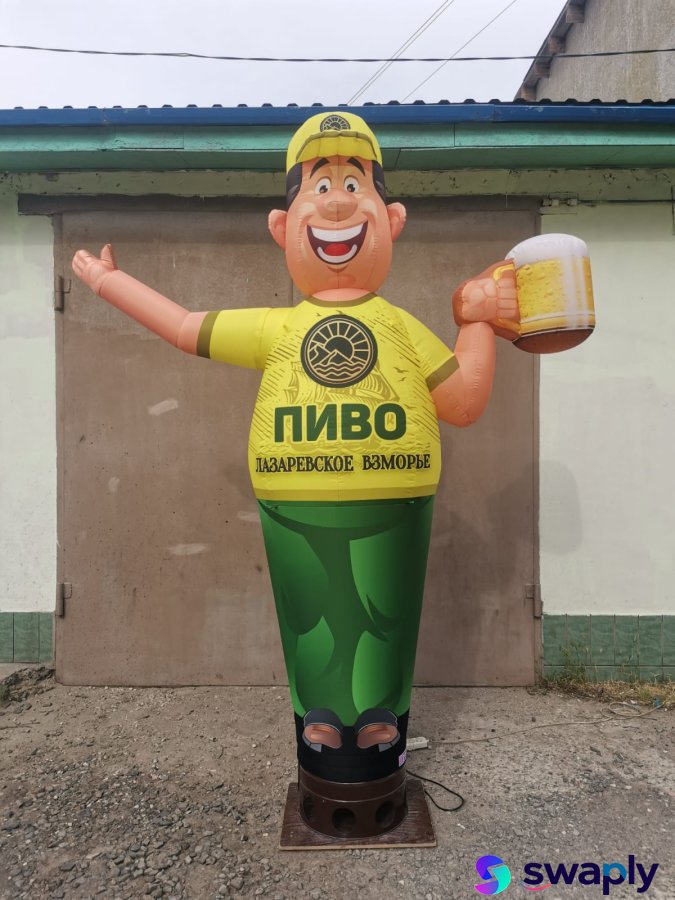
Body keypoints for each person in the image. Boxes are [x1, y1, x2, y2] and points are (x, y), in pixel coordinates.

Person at [72, 111, 518, 784]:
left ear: (391, 219)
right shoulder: (277, 328)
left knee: (385, 614)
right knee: (309, 617)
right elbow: (186, 327)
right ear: (283, 227)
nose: (337, 202)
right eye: (319, 187)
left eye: (353, 185)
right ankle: (320, 729)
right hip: (291, 501)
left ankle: (379, 731)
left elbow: (462, 402)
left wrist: (475, 321)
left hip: (395, 499)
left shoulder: (400, 327)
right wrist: (111, 283)